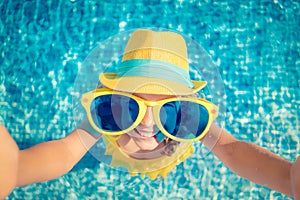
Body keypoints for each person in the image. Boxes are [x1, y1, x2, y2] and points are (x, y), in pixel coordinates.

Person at [0, 29, 299, 199]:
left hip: (169, 155)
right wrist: (16, 169)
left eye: (167, 109)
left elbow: (232, 151)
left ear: (184, 104)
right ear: (117, 98)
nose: (145, 122)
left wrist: (287, 177)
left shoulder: (189, 119)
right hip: (121, 157)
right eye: (133, 104)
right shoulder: (109, 114)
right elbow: (67, 151)